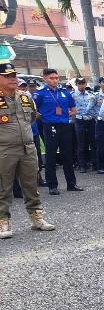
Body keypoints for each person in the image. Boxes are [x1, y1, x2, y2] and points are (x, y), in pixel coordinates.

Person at [0, 63, 54, 239]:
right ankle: (3, 220)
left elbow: (31, 118)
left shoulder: (25, 97)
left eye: (14, 75)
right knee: (3, 187)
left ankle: (36, 217)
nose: (13, 79)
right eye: (8, 76)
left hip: (28, 147)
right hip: (4, 149)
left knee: (31, 184)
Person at [34, 68, 82, 195]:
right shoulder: (40, 94)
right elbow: (34, 111)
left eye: (56, 78)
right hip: (50, 127)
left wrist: (66, 115)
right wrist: (45, 118)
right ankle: (52, 185)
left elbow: (74, 110)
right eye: (51, 78)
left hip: (65, 126)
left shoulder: (65, 92)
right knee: (51, 156)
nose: (54, 80)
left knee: (68, 155)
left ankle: (71, 184)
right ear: (44, 79)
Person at [72, 78, 96, 173]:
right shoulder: (73, 95)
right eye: (79, 83)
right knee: (81, 144)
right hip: (79, 120)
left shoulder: (91, 95)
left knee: (93, 143)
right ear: (76, 84)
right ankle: (82, 165)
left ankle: (95, 164)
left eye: (83, 83)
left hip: (90, 120)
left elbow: (94, 108)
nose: (81, 85)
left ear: (86, 84)